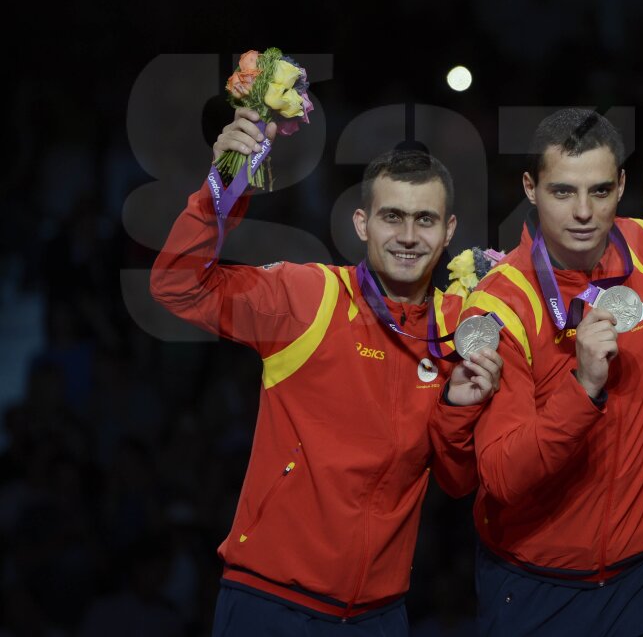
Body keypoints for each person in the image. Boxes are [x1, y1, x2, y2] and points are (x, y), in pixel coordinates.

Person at [150, 108, 502, 635]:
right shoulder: (309, 297)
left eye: (425, 220)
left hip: (379, 615)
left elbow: (456, 481)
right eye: (391, 217)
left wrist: (455, 407)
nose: (408, 236)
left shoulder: (460, 329)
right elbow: (178, 287)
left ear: (449, 229)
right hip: (272, 602)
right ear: (362, 224)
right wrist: (223, 184)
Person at [433, 109, 643, 636]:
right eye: (563, 192)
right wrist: (584, 387)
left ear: (621, 185)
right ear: (531, 188)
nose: (584, 212)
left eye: (600, 191)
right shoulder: (501, 304)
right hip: (535, 586)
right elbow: (501, 475)